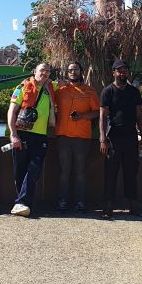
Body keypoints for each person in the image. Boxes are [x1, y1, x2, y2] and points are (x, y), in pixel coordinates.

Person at [8, 63, 56, 217]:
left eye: (48, 71)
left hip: (40, 136)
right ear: (34, 71)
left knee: (34, 169)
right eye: (42, 70)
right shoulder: (21, 87)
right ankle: (23, 203)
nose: (45, 73)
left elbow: (64, 84)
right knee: (19, 172)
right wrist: (13, 134)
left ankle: (21, 203)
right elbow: (12, 111)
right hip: (22, 134)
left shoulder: (50, 88)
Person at [99, 59, 142, 218]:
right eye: (119, 70)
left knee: (131, 173)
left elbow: (139, 115)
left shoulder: (134, 91)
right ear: (114, 72)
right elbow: (102, 116)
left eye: (125, 70)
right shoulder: (107, 91)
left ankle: (134, 206)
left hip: (131, 138)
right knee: (110, 174)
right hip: (113, 138)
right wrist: (102, 139)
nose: (122, 73)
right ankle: (108, 207)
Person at [54, 61, 100, 212]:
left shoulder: (90, 91)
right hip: (63, 136)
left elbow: (97, 112)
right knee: (64, 171)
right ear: (67, 73)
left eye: (76, 69)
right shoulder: (60, 90)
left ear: (81, 71)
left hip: (81, 137)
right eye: (70, 70)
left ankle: (80, 202)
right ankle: (62, 201)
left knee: (80, 172)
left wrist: (82, 116)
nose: (73, 72)